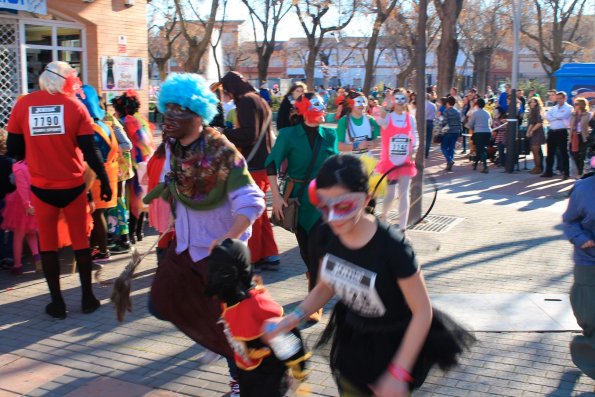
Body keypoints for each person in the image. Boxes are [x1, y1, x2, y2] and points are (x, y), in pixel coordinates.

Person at [263, 154, 473, 396]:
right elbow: (327, 285)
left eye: (343, 206)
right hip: (353, 339)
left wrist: (398, 373)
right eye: (323, 205)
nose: (332, 217)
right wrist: (293, 318)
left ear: (366, 199)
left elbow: (422, 311)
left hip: (395, 346)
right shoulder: (324, 235)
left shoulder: (393, 249)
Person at [144, 73, 265, 397]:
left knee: (232, 329)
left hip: (219, 257)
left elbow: (252, 199)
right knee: (159, 303)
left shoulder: (222, 152)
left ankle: (242, 382)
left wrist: (229, 238)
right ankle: (210, 334)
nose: (168, 119)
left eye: (177, 112)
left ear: (197, 115)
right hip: (185, 248)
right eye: (165, 110)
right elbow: (178, 183)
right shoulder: (173, 146)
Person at [6, 61, 111, 319]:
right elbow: (91, 149)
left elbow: (14, 149)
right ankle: (87, 298)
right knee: (81, 243)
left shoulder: (23, 105)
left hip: (42, 188)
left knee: (48, 247)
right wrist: (105, 181)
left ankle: (57, 303)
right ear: (67, 80)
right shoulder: (75, 107)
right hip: (73, 186)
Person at [265, 93, 338, 322]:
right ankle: (312, 277)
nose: (320, 112)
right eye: (315, 107)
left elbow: (335, 166)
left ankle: (314, 301)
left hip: (323, 201)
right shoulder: (288, 135)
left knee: (318, 248)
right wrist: (276, 197)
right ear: (303, 110)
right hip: (297, 200)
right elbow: (271, 163)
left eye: (321, 108)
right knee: (306, 249)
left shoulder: (330, 134)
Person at [206, 238, 310, 397]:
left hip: (269, 379)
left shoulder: (258, 305)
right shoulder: (228, 298)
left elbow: (291, 337)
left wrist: (299, 375)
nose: (216, 278)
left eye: (222, 272)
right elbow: (231, 324)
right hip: (247, 374)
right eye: (214, 270)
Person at [221, 71, 280, 270]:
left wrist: (224, 133)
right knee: (259, 210)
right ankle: (269, 254)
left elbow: (248, 134)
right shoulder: (259, 99)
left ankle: (255, 256)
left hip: (253, 163)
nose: (225, 95)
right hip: (265, 161)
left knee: (251, 210)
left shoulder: (245, 101)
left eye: (225, 90)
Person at [562, 156, 595, 380]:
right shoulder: (584, 188)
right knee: (589, 316)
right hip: (589, 262)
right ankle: (584, 345)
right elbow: (569, 221)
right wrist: (580, 237)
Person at [79, 85, 119, 262]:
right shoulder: (106, 125)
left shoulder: (92, 129)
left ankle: (103, 251)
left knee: (96, 214)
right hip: (109, 173)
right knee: (99, 213)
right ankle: (97, 249)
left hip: (95, 176)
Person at [111, 90, 154, 244]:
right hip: (145, 162)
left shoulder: (127, 121)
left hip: (134, 164)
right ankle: (138, 232)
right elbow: (146, 141)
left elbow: (137, 141)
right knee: (141, 197)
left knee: (133, 199)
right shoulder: (140, 119)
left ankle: (132, 234)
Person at [376, 91, 418, 232]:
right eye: (397, 98)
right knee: (390, 193)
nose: (400, 101)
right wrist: (385, 108)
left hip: (405, 161)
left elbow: (414, 135)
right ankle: (384, 216)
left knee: (404, 193)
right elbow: (380, 121)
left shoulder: (410, 118)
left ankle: (402, 228)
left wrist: (414, 149)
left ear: (406, 100)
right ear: (393, 100)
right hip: (390, 162)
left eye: (403, 98)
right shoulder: (388, 117)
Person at [1, 157, 40, 275]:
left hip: (22, 204)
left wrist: (27, 204)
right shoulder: (36, 164)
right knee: (31, 233)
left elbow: (22, 187)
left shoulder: (18, 166)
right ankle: (37, 257)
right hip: (36, 201)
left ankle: (17, 265)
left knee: (18, 236)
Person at [543, 91, 573, 179]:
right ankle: (548, 172)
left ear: (565, 98)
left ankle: (566, 173)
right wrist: (556, 117)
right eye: (558, 98)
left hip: (562, 132)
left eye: (561, 98)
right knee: (550, 153)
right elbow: (547, 116)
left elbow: (563, 115)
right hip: (552, 132)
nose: (559, 100)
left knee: (564, 153)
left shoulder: (569, 107)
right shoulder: (554, 107)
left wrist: (554, 117)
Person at [0, 129, 16, 270]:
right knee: (11, 228)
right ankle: (9, 256)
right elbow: (14, 181)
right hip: (9, 200)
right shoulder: (11, 162)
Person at [467, 98, 492, 173]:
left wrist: (472, 128)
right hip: (487, 132)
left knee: (480, 149)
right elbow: (490, 123)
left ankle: (485, 166)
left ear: (477, 105)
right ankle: (475, 164)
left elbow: (471, 124)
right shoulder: (487, 113)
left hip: (478, 133)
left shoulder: (475, 113)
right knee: (480, 148)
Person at [569, 98, 591, 178]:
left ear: (581, 105)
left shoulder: (588, 114)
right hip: (574, 136)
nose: (575, 106)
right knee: (574, 155)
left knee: (582, 155)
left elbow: (590, 125)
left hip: (583, 136)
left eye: (576, 104)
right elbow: (570, 126)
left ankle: (580, 173)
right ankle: (579, 170)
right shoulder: (573, 114)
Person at [441, 96, 463, 171]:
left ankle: (449, 160)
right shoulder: (457, 112)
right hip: (456, 131)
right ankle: (449, 164)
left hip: (448, 131)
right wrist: (460, 133)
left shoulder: (446, 111)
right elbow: (460, 123)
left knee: (443, 147)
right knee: (451, 148)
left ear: (447, 103)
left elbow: (445, 122)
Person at [526, 97, 546, 174]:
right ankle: (536, 167)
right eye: (531, 102)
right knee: (534, 151)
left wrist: (531, 131)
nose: (532, 103)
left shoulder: (538, 110)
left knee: (536, 151)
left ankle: (538, 168)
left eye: (534, 102)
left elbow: (539, 123)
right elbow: (531, 123)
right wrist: (528, 131)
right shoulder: (532, 111)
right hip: (533, 133)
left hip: (537, 133)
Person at [425, 94, 437, 159]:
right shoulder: (433, 105)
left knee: (422, 138)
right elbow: (435, 113)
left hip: (423, 122)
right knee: (428, 138)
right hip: (431, 122)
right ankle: (426, 153)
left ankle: (422, 152)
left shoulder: (422, 105)